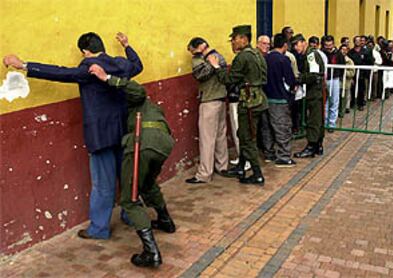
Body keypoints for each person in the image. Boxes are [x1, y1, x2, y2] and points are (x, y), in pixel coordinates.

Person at [3, 32, 143, 240]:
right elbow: (137, 65)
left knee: (103, 184)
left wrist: (24, 65)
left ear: (85, 51)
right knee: (127, 177)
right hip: (124, 131)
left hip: (101, 135)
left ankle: (99, 229)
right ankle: (131, 216)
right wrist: (127, 45)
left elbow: (60, 73)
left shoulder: (89, 68)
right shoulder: (120, 64)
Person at [88, 64, 175, 268]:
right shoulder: (151, 107)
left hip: (142, 143)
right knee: (147, 184)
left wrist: (105, 77)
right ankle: (165, 221)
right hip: (163, 143)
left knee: (129, 199)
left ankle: (151, 252)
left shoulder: (137, 97)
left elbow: (137, 90)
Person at [208, 25, 268, 185]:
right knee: (243, 133)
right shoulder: (257, 53)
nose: (232, 43)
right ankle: (241, 166)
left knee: (247, 139)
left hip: (249, 102)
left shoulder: (243, 57)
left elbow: (228, 80)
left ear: (243, 39)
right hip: (259, 99)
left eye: (234, 39)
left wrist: (216, 67)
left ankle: (257, 173)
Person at [185, 37, 229, 184]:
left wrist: (207, 60)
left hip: (209, 101)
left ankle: (204, 173)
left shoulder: (200, 60)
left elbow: (200, 75)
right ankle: (222, 166)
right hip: (221, 100)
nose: (193, 54)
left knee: (207, 138)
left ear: (199, 47)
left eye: (193, 51)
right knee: (220, 135)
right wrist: (213, 63)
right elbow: (220, 66)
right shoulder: (219, 56)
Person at [262, 33, 297, 167]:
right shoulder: (283, 60)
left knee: (267, 128)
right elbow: (290, 80)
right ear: (285, 45)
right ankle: (283, 157)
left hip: (266, 98)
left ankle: (269, 153)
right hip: (280, 99)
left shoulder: (266, 58)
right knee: (282, 128)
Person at [291, 34, 325, 158]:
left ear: (303, 42)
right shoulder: (309, 55)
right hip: (315, 91)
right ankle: (318, 145)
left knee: (314, 120)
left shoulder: (311, 55)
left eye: (297, 44)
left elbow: (315, 75)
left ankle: (311, 146)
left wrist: (300, 78)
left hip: (315, 92)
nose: (295, 48)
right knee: (317, 119)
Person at [322, 35, 345, 131]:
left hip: (334, 79)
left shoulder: (338, 54)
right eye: (326, 45)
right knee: (324, 101)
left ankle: (331, 123)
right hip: (324, 79)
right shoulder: (322, 53)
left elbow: (342, 66)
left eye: (330, 45)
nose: (329, 47)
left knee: (334, 101)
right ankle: (325, 122)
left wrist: (339, 77)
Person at [338, 44, 355, 116]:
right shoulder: (337, 59)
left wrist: (344, 71)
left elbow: (352, 73)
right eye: (342, 49)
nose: (344, 51)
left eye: (346, 50)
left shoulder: (349, 61)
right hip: (336, 82)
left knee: (343, 99)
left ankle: (341, 112)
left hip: (345, 83)